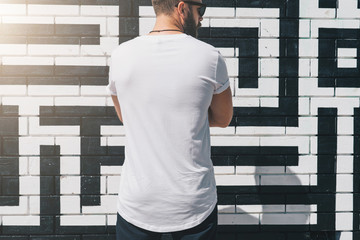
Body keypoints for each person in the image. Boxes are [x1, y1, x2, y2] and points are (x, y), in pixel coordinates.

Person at [106, 0, 233, 239]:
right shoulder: (210, 57)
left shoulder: (121, 55)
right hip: (193, 203)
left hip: (138, 202)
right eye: (200, 10)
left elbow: (126, 116)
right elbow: (223, 118)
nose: (201, 18)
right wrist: (189, 115)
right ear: (182, 8)